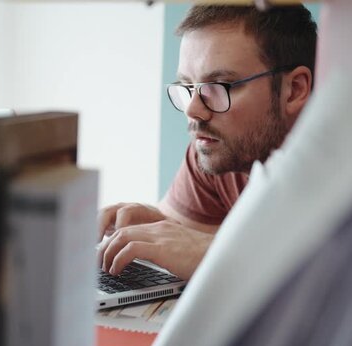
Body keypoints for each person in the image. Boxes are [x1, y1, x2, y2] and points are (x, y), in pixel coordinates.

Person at [98, 5, 317, 280]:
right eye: (188, 87)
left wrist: (219, 255)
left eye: (220, 86)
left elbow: (338, 289)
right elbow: (185, 240)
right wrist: (158, 226)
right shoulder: (222, 150)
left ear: (294, 89)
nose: (193, 110)